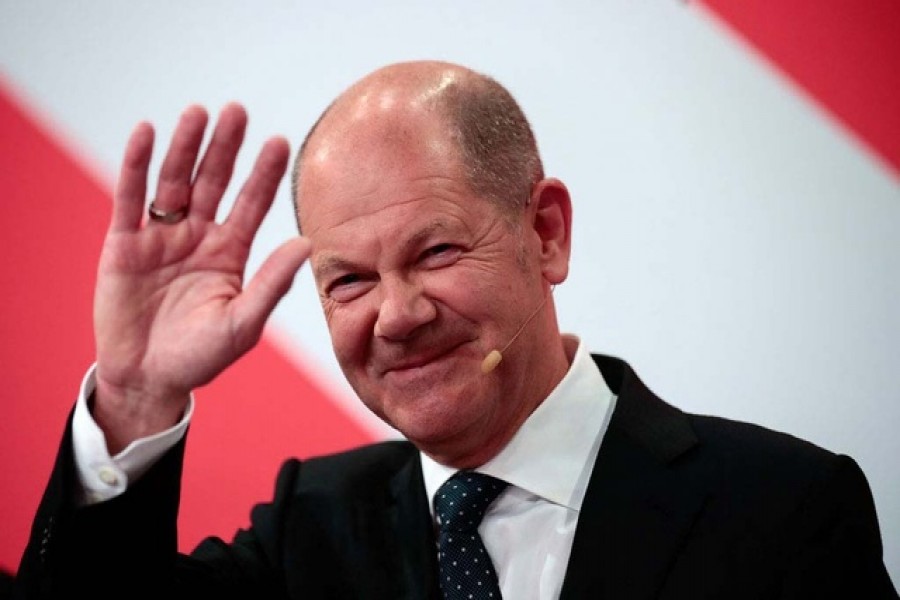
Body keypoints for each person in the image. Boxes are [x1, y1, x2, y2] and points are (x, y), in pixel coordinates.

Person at [13, 61, 897, 599]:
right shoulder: (310, 529)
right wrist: (134, 395)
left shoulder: (782, 511)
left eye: (435, 251)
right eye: (349, 280)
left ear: (544, 233)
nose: (396, 316)